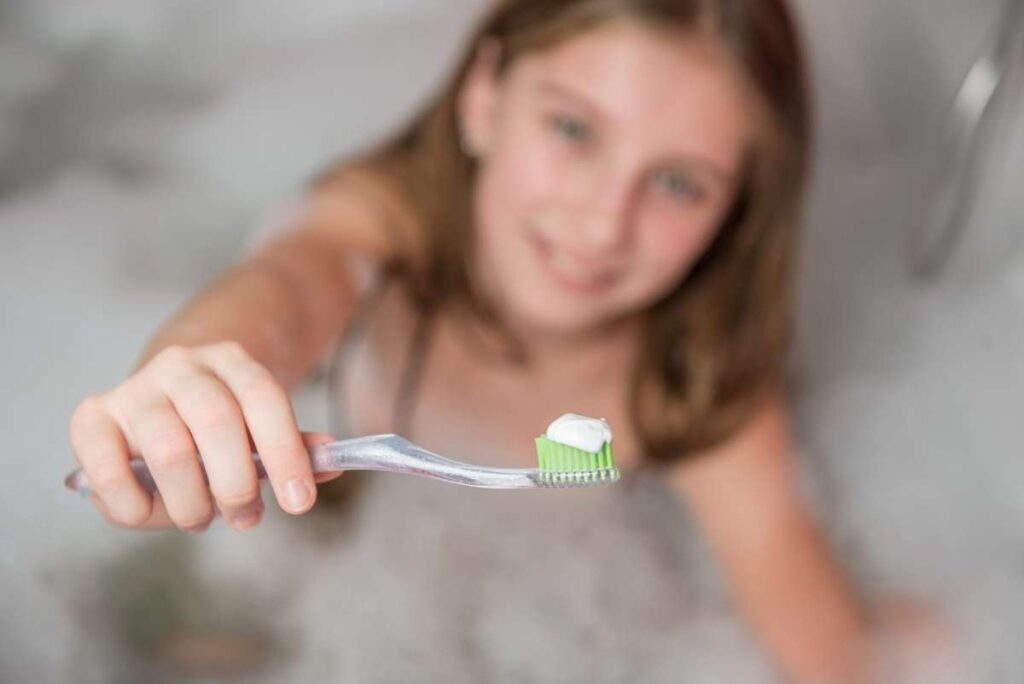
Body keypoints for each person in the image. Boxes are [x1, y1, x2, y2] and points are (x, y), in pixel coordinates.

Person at [69, 1, 891, 681]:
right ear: (484, 96)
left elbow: (834, 655)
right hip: (309, 564)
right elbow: (288, 286)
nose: (603, 223)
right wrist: (192, 378)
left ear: (738, 212)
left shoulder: (700, 386)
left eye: (678, 183)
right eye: (573, 129)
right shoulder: (384, 224)